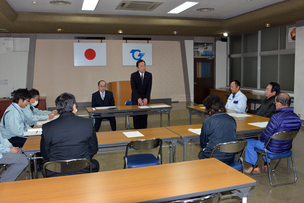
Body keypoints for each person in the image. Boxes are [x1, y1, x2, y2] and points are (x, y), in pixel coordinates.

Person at [40, 93, 99, 177]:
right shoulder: (87, 123)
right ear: (74, 106)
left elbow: (45, 153)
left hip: (56, 170)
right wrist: (85, 158)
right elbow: (94, 148)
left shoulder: (47, 127)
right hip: (82, 167)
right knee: (95, 164)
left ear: (57, 108)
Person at [244, 93, 301, 174]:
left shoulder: (276, 118)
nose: (275, 105)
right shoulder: (297, 118)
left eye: (275, 103)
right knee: (271, 142)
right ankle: (266, 164)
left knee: (249, 141)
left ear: (279, 104)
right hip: (286, 149)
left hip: (273, 150)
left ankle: (254, 167)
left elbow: (264, 138)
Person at [198, 94, 236, 164]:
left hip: (213, 157)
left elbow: (203, 143)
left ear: (209, 109)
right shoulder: (232, 119)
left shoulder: (208, 121)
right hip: (230, 157)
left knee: (201, 154)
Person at [130, 59, 152, 129]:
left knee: (144, 117)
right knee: (136, 117)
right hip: (136, 98)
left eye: (144, 66)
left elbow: (149, 88)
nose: (143, 67)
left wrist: (146, 98)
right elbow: (133, 88)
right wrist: (138, 98)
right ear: (137, 68)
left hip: (145, 98)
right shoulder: (133, 75)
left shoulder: (149, 75)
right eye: (141, 66)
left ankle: (144, 132)